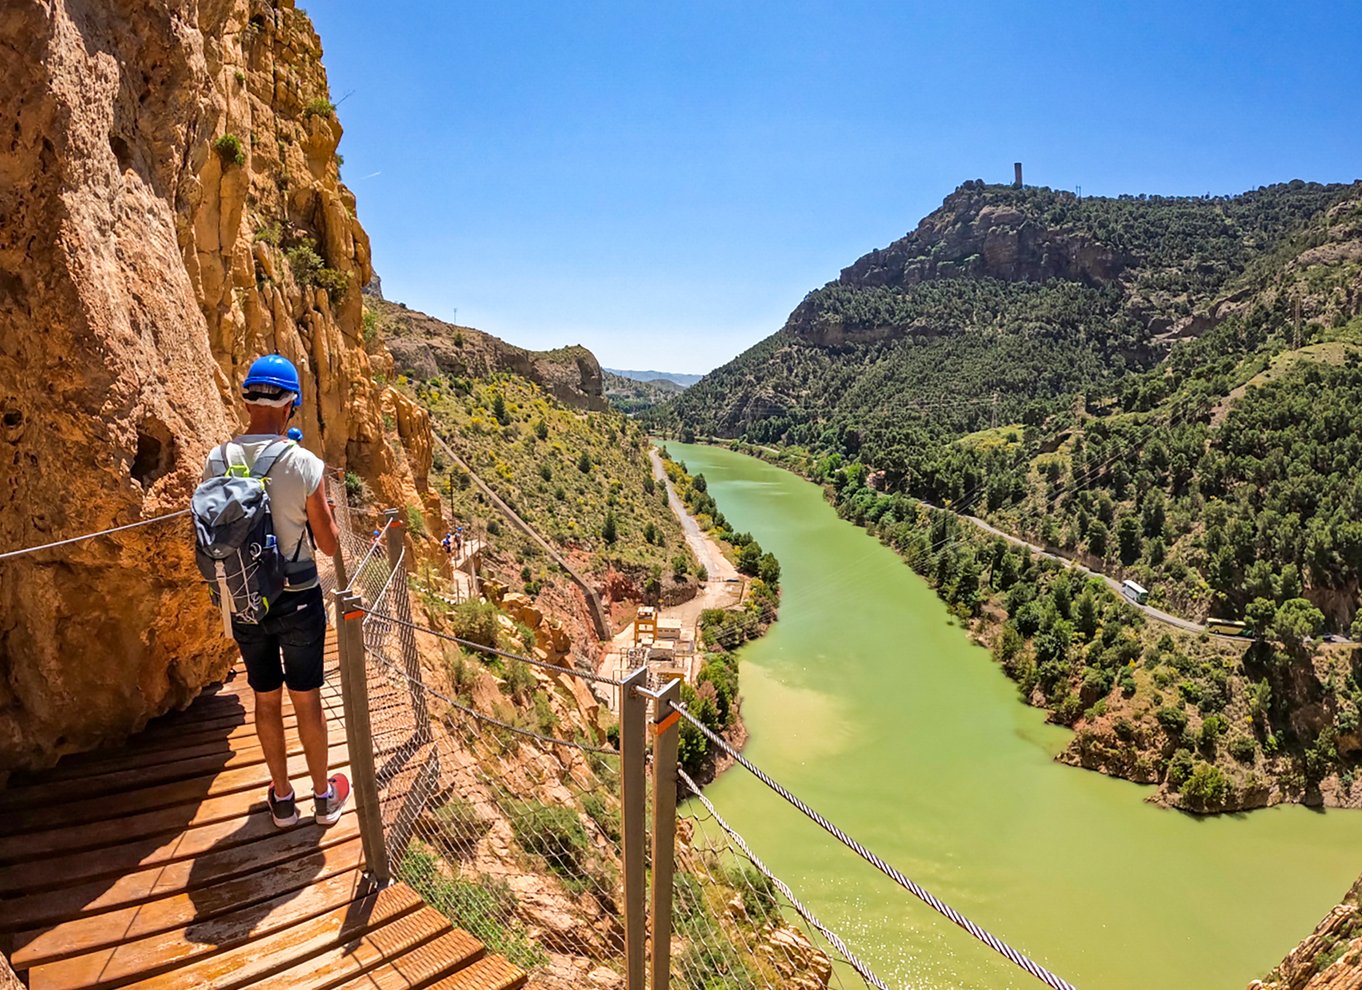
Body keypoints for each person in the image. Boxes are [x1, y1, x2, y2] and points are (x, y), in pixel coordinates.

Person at [202, 354, 349, 829]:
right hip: (299, 595)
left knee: (266, 698)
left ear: (246, 399)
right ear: (291, 406)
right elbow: (327, 544)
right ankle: (324, 798)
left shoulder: (217, 459)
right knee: (306, 698)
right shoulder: (303, 462)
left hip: (244, 598)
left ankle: (282, 799)